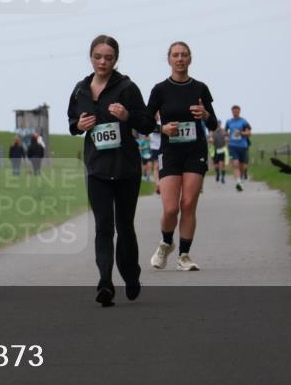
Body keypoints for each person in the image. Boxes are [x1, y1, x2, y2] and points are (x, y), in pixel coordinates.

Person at [67, 34, 152, 307]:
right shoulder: (81, 89)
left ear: (116, 59)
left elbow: (147, 122)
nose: (103, 62)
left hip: (126, 167)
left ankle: (131, 275)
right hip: (97, 169)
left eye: (108, 57)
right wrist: (79, 125)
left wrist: (128, 117)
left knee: (125, 227)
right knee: (104, 227)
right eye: (98, 57)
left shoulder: (127, 88)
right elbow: (72, 122)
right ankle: (105, 282)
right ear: (91, 57)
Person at [145, 41, 217, 272]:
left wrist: (205, 114)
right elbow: (145, 123)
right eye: (175, 55)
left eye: (184, 55)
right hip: (170, 151)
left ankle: (184, 255)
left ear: (190, 59)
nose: (180, 59)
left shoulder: (200, 88)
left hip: (195, 151)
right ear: (169, 60)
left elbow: (213, 123)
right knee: (170, 209)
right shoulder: (159, 90)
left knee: (188, 204)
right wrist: (161, 129)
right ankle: (166, 243)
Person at [225, 105, 253, 192]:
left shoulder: (243, 121)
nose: (235, 112)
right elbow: (225, 132)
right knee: (235, 164)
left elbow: (249, 133)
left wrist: (241, 133)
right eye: (234, 111)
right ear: (232, 112)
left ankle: (241, 178)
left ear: (239, 111)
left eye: (237, 111)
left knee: (243, 166)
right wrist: (226, 137)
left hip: (243, 146)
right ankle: (238, 182)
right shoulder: (229, 122)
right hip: (233, 146)